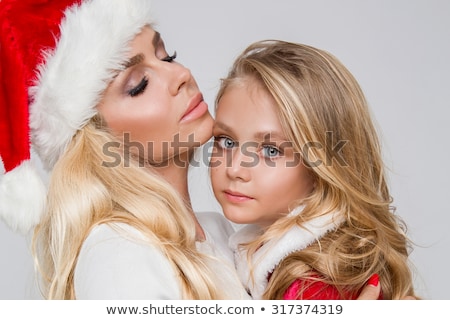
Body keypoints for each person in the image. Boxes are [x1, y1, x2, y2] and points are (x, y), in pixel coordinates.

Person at [0, 0, 382, 300]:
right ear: (95, 137)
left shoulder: (225, 235)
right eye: (138, 84)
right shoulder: (118, 250)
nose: (180, 75)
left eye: (167, 55)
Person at [210, 40, 418, 299]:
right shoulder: (263, 250)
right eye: (227, 142)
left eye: (271, 151)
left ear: (323, 165)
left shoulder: (314, 282)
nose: (234, 168)